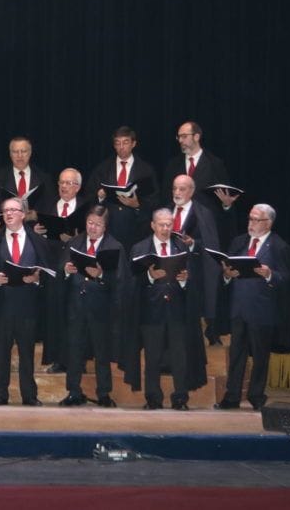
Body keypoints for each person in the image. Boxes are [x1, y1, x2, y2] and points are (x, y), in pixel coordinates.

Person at [216, 204, 290, 411]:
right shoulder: (239, 242)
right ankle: (232, 396)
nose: (251, 223)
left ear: (268, 223)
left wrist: (269, 274)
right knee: (236, 354)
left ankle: (256, 395)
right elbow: (227, 271)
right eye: (250, 218)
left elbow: (286, 279)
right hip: (238, 306)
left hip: (262, 309)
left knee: (260, 355)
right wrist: (226, 275)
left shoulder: (279, 246)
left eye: (256, 220)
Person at [125, 209, 207, 411]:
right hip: (150, 311)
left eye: (169, 225)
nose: (165, 228)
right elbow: (131, 282)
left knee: (180, 357)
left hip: (177, 311)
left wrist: (184, 281)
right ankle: (153, 398)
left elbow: (194, 279)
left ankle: (180, 398)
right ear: (153, 225)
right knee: (152, 358)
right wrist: (150, 276)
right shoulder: (140, 248)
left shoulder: (181, 246)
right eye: (161, 224)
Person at [0, 196, 54, 406]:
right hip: (3, 303)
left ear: (23, 214)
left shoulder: (38, 241)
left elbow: (47, 272)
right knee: (1, 352)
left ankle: (29, 395)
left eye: (13, 210)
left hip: (27, 304)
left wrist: (36, 278)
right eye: (5, 210)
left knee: (27, 352)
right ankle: (0, 393)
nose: (8, 214)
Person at [58, 206, 123, 408]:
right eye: (90, 223)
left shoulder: (115, 246)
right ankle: (73, 391)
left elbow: (120, 281)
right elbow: (60, 272)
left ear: (106, 226)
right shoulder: (74, 242)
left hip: (101, 307)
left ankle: (103, 393)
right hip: (76, 304)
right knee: (74, 349)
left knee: (101, 352)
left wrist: (102, 275)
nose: (93, 228)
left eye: (98, 224)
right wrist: (66, 271)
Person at [33, 168, 88, 373]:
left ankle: (77, 360)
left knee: (75, 315)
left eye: (69, 183)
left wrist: (74, 238)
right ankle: (58, 359)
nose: (64, 187)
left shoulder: (85, 208)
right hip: (52, 266)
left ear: (78, 187)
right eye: (61, 183)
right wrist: (36, 232)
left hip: (76, 268)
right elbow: (37, 235)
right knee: (55, 313)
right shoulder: (47, 206)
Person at [83, 126, 159, 252]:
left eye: (125, 142)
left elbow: (154, 201)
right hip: (109, 229)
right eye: (117, 143)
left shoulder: (146, 170)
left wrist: (137, 205)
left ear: (134, 144)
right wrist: (100, 197)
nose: (121, 147)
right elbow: (88, 196)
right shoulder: (103, 169)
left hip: (135, 230)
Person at [167, 174, 221, 344]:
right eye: (175, 188)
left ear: (191, 191)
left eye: (182, 189)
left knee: (191, 321)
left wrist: (193, 244)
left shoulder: (203, 214)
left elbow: (210, 245)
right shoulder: (165, 211)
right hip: (167, 272)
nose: (177, 192)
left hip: (194, 274)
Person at [0, 137, 53, 205]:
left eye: (23, 151)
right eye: (15, 152)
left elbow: (49, 205)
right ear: (10, 154)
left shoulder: (44, 178)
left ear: (30, 153)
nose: (20, 155)